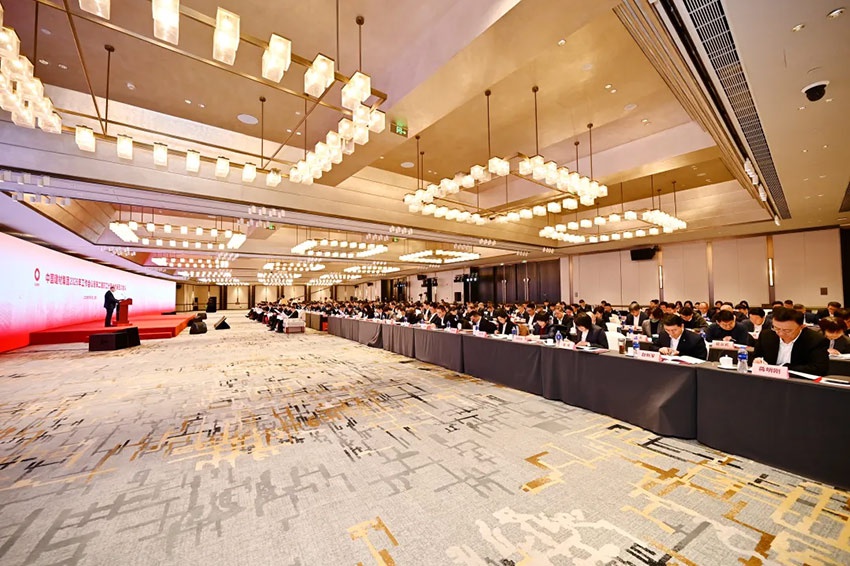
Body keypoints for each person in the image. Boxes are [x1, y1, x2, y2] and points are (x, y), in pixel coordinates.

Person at [752, 307, 829, 375]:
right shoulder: (766, 335)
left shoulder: (816, 340)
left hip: (798, 382)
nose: (780, 333)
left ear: (802, 327)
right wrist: (757, 361)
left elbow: (819, 369)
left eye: (787, 330)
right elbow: (755, 356)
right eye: (776, 328)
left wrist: (783, 368)